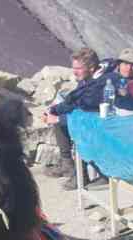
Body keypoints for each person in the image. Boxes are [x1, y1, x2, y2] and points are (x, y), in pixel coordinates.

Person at [43, 47, 110, 189]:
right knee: (58, 118)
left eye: (78, 68)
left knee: (72, 126)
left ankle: (87, 175)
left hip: (99, 123)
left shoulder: (101, 84)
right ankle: (68, 164)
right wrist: (54, 110)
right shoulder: (87, 79)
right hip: (86, 118)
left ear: (91, 68)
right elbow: (74, 101)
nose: (74, 72)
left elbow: (88, 114)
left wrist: (60, 119)